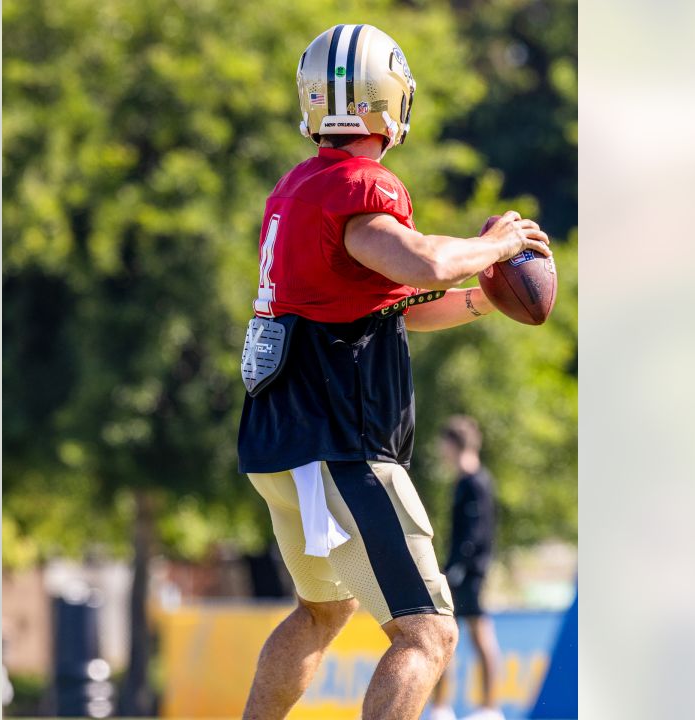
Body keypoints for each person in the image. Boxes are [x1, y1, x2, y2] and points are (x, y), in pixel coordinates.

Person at [235, 24, 550, 720]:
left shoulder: (300, 188)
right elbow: (424, 262)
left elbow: (392, 305)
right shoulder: (360, 185)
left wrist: (477, 300)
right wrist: (493, 244)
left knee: (320, 612)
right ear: (388, 100)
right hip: (341, 445)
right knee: (429, 634)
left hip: (281, 441)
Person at [429, 416, 505, 720]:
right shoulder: (464, 482)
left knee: (473, 634)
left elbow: (477, 533)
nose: (441, 452)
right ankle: (442, 707)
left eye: (443, 445)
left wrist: (459, 568)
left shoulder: (476, 482)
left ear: (453, 444)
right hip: (461, 570)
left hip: (469, 572)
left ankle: (489, 708)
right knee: (447, 635)